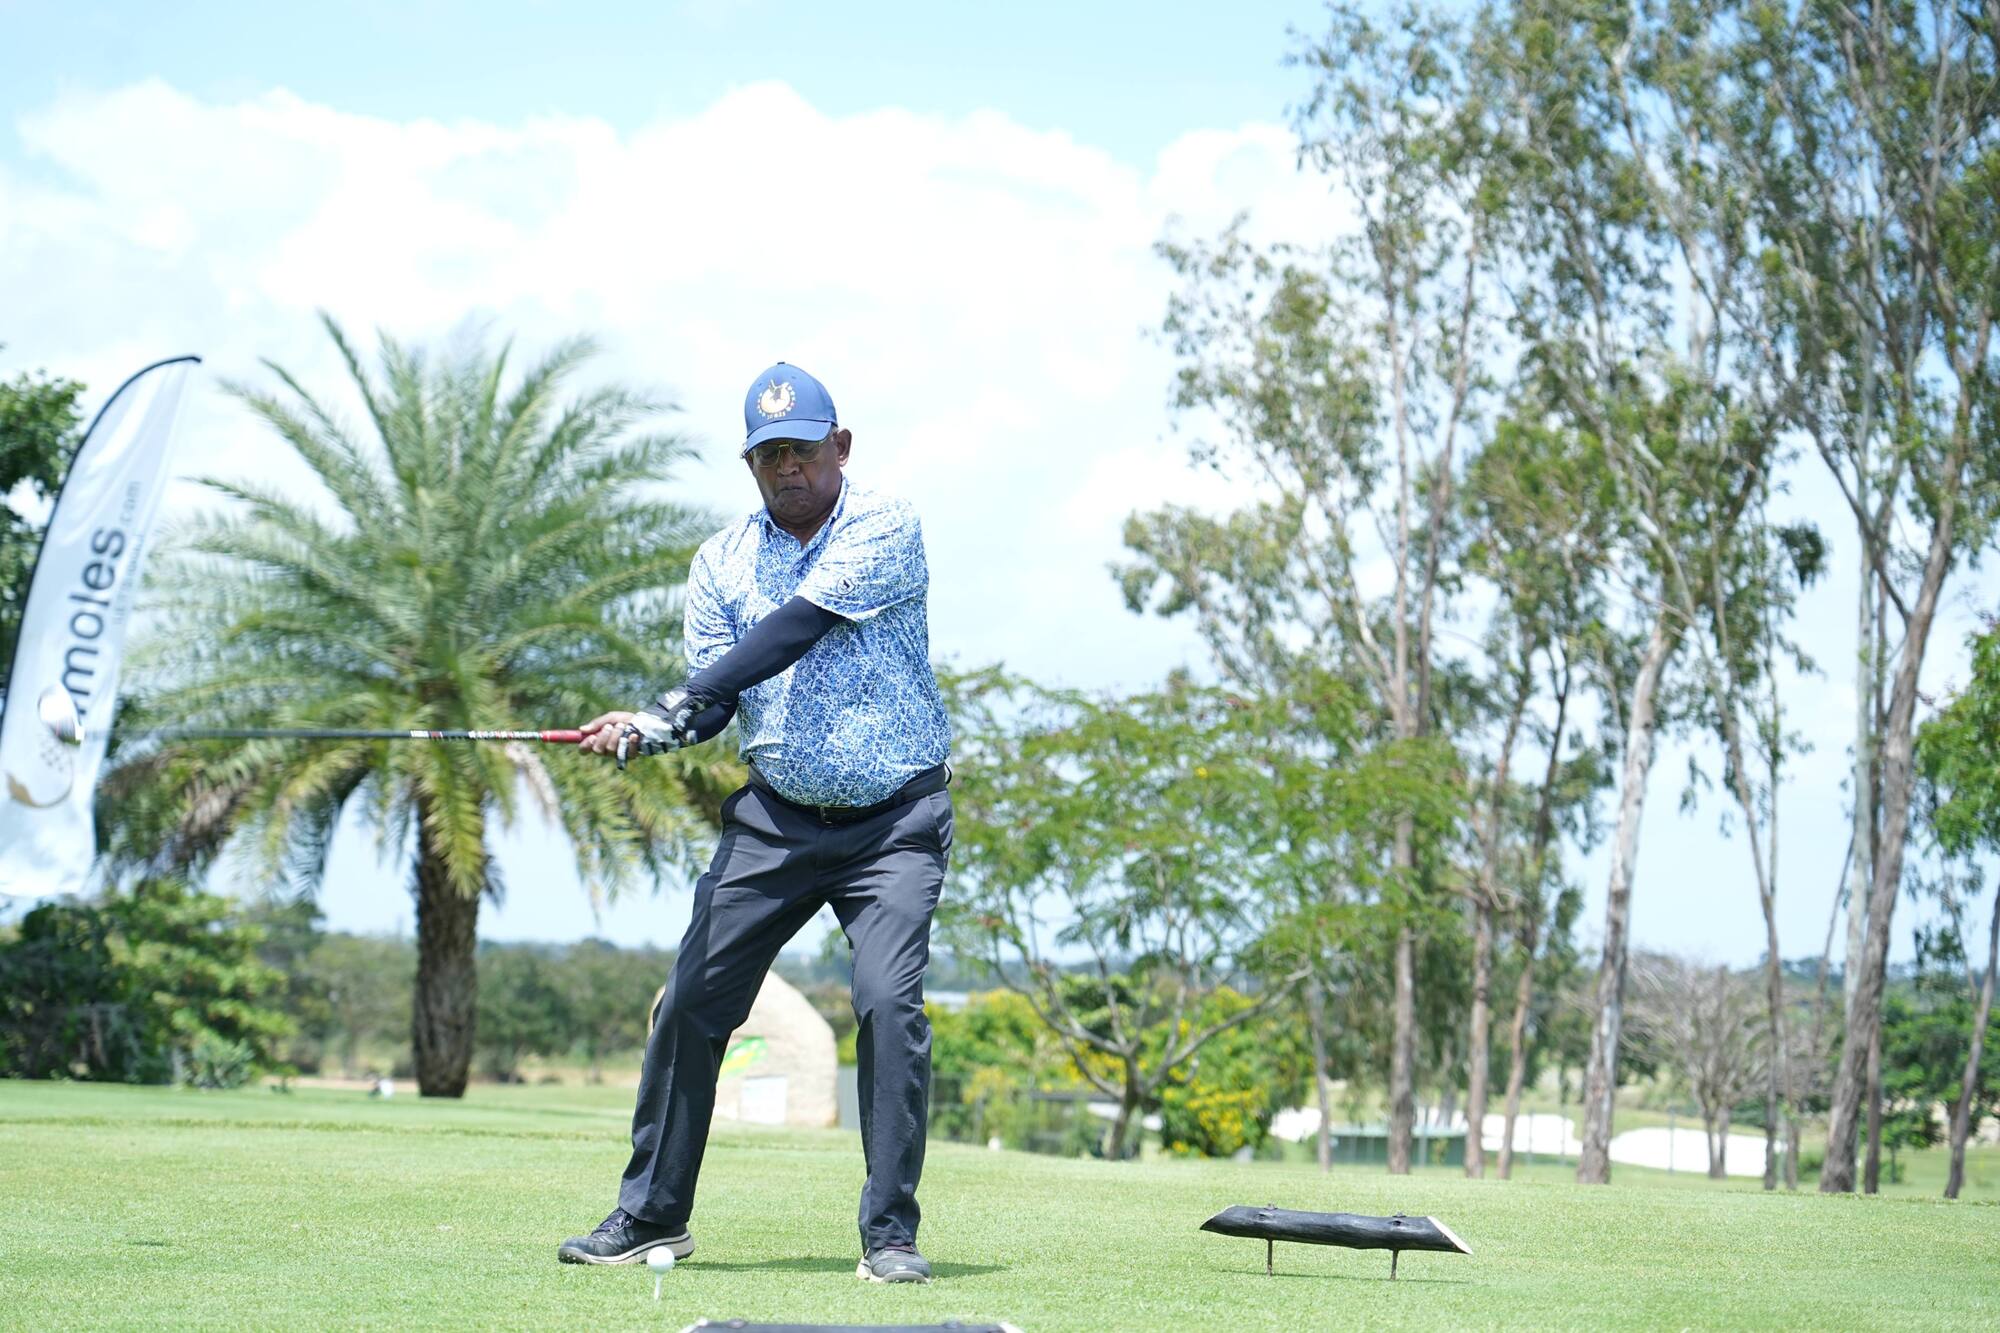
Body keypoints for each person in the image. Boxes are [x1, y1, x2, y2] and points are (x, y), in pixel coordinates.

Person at [558, 363, 952, 1285]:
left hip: (894, 820)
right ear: (749, 463)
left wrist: (678, 698)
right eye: (768, 454)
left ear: (839, 447)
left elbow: (792, 631)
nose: (787, 468)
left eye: (802, 449)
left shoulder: (885, 527)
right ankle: (653, 1215)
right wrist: (654, 729)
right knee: (692, 999)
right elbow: (715, 701)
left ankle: (889, 1234)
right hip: (775, 821)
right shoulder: (720, 562)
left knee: (888, 1006)